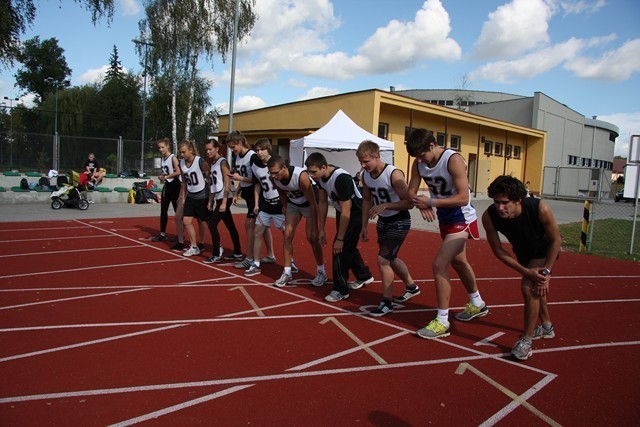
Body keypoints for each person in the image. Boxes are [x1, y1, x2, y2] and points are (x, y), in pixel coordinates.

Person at [406, 128, 488, 339]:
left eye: (423, 154)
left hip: (462, 217)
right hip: (445, 217)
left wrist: (431, 202)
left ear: (432, 145)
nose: (420, 160)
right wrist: (420, 203)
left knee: (439, 264)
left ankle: (442, 321)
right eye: (417, 157)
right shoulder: (419, 163)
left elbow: (463, 198)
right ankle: (477, 302)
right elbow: (411, 190)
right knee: (459, 262)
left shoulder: (453, 160)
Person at [483, 175, 560, 360]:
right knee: (535, 285)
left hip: (544, 250)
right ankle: (547, 327)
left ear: (518, 200)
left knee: (529, 286)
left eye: (505, 202)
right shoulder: (489, 216)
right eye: (496, 202)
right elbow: (498, 250)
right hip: (523, 253)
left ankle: (526, 341)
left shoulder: (540, 208)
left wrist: (546, 272)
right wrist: (525, 270)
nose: (500, 208)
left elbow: (556, 240)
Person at [357, 141, 418, 316]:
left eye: (366, 161)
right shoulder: (366, 175)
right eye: (361, 161)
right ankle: (411, 287)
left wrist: (385, 206)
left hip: (399, 220)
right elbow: (367, 200)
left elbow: (409, 203)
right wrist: (364, 226)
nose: (363, 165)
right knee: (390, 258)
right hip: (383, 221)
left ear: (376, 157)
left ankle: (386, 302)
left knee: (383, 260)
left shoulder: (393, 174)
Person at [305, 152, 373, 302]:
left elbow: (347, 211)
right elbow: (322, 203)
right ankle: (364, 275)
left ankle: (340, 289)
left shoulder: (342, 179)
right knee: (348, 247)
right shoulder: (321, 178)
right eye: (309, 172)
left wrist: (340, 239)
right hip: (341, 211)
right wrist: (321, 228)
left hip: (354, 213)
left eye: (314, 172)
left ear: (323, 167)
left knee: (339, 250)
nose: (311, 175)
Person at [268, 155, 326, 287]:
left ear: (284, 168)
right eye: (271, 173)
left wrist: (316, 227)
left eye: (276, 173)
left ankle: (321, 270)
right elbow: (282, 194)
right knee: (287, 234)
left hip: (309, 205)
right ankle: (287, 271)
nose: (274, 176)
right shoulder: (274, 179)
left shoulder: (301, 177)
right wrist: (286, 208)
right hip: (293, 205)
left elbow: (313, 203)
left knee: (312, 237)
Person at [227, 131, 274, 269]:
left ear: (240, 143)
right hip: (247, 194)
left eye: (233, 147)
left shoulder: (252, 157)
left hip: (256, 195)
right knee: (262, 227)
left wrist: (240, 179)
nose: (232, 150)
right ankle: (270, 255)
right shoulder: (237, 157)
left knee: (250, 225)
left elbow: (258, 178)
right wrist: (236, 192)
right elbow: (241, 177)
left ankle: (250, 257)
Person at [243, 138, 282, 276]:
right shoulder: (255, 165)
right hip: (265, 203)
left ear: (268, 149)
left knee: (286, 234)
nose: (259, 153)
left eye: (261, 150)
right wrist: (256, 203)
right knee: (257, 231)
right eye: (257, 150)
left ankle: (291, 263)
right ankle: (256, 263)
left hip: (279, 203)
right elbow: (257, 184)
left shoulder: (277, 162)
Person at [203, 137, 242, 263]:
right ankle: (237, 252)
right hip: (218, 197)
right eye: (206, 150)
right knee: (230, 225)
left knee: (212, 224)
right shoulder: (212, 163)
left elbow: (227, 182)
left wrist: (224, 201)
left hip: (225, 197)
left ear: (217, 149)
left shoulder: (222, 162)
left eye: (210, 149)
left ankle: (216, 253)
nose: (208, 152)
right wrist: (210, 199)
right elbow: (213, 184)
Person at [178, 140, 213, 257]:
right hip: (190, 195)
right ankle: (194, 246)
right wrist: (183, 197)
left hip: (202, 195)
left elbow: (210, 178)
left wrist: (210, 197)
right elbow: (183, 182)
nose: (181, 154)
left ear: (190, 150)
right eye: (180, 152)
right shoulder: (181, 163)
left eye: (183, 152)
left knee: (203, 221)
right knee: (186, 221)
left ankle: (204, 242)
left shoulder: (200, 161)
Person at [151, 138, 183, 242]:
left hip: (175, 185)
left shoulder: (173, 158)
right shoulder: (163, 159)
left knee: (177, 211)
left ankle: (180, 234)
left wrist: (167, 176)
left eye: (162, 147)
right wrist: (163, 177)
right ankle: (162, 233)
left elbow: (178, 172)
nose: (161, 149)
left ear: (167, 146)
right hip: (167, 186)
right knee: (163, 210)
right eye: (159, 147)